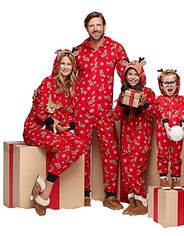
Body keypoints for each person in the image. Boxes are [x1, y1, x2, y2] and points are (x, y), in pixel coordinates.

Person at [70, 11, 128, 209]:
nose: (95, 28)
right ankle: (83, 193)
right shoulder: (78, 51)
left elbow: (129, 76)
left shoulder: (115, 49)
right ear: (86, 28)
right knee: (81, 151)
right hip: (81, 111)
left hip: (104, 111)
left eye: (98, 25)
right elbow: (63, 75)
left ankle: (110, 195)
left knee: (110, 151)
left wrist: (133, 96)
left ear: (104, 26)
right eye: (91, 25)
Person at [23, 49, 87, 216]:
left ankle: (42, 184)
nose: (66, 67)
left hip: (57, 131)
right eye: (63, 63)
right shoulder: (48, 82)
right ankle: (45, 193)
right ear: (57, 65)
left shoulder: (72, 87)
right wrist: (55, 125)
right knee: (65, 148)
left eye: (69, 64)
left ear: (73, 67)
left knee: (80, 145)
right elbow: (39, 110)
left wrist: (71, 130)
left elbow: (71, 113)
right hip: (37, 129)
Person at [113, 58, 155, 215]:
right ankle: (133, 201)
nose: (132, 77)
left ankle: (142, 202)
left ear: (141, 76)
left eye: (135, 74)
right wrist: (122, 104)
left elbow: (155, 113)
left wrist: (145, 105)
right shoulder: (123, 93)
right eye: (129, 74)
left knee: (134, 170)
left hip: (141, 138)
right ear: (125, 77)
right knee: (126, 170)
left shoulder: (148, 93)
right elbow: (116, 116)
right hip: (126, 138)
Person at [154, 69, 184, 190]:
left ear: (177, 84)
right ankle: (163, 179)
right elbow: (162, 111)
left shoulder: (182, 99)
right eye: (166, 83)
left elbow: (183, 111)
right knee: (163, 155)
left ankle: (176, 178)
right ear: (161, 85)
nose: (169, 85)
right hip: (163, 132)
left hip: (178, 133)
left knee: (176, 156)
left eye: (172, 82)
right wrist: (166, 125)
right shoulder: (159, 99)